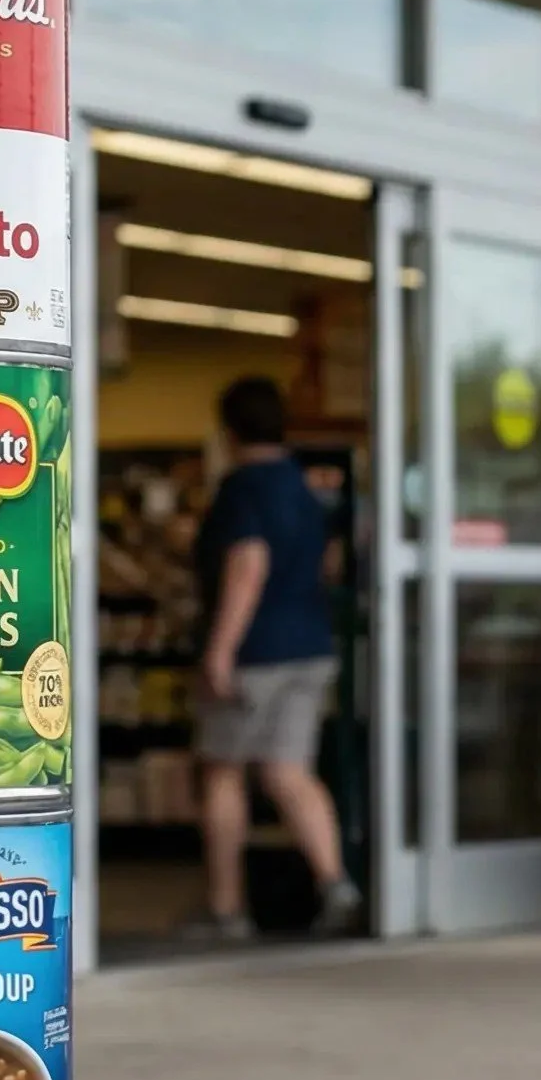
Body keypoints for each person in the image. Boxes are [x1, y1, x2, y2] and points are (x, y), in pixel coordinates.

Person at [187, 376, 361, 941]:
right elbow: (331, 564)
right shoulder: (305, 487)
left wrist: (220, 648)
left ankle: (226, 911)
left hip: (255, 652)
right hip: (310, 646)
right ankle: (335, 883)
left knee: (223, 773)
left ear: (229, 428)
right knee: (289, 771)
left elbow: (248, 564)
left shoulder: (243, 488)